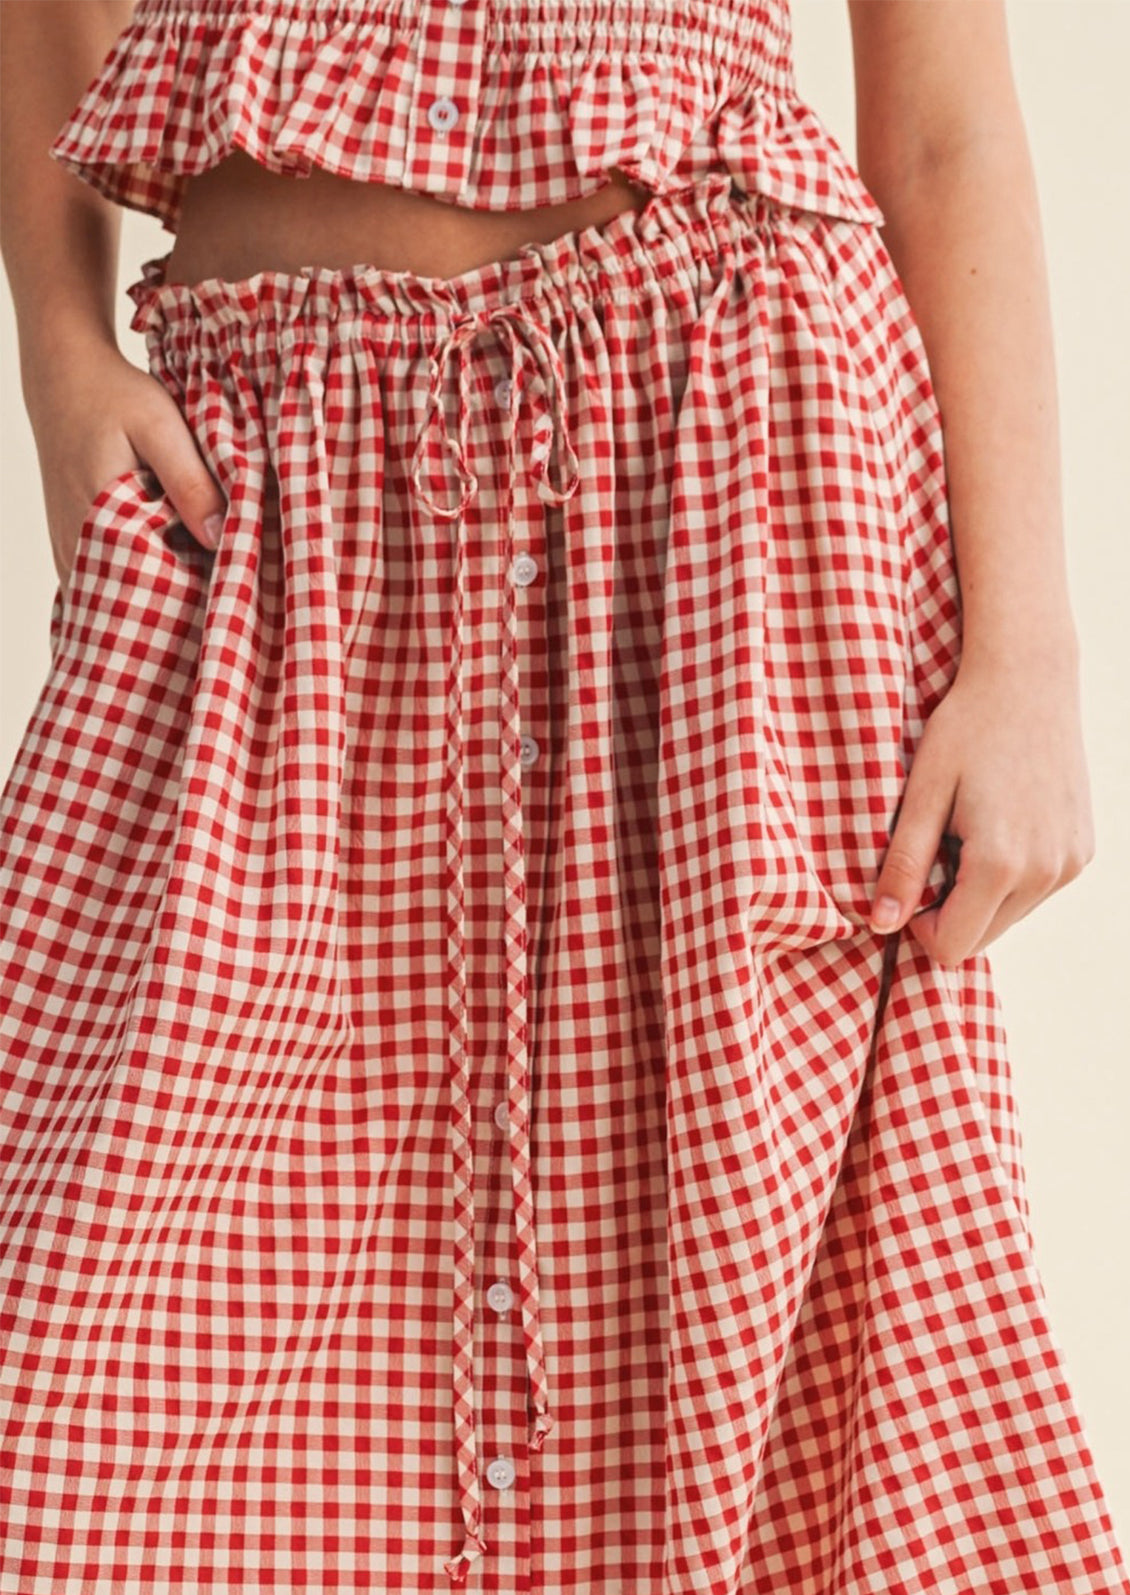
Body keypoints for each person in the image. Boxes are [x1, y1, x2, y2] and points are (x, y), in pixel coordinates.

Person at [0, 1, 1125, 1592]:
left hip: (721, 470)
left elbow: (940, 124)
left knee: (754, 1349)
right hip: (275, 480)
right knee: (85, 1338)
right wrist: (59, 344)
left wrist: (1028, 653)